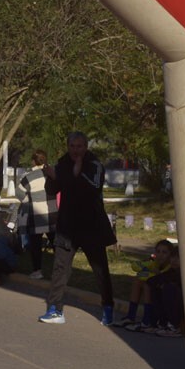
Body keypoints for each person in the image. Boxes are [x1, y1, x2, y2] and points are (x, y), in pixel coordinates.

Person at [38, 132, 117, 325]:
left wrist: (76, 172)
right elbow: (51, 190)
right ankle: (55, 309)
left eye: (80, 146)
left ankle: (108, 307)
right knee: (60, 268)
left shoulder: (95, 165)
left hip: (92, 225)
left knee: (100, 269)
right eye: (72, 146)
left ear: (86, 146)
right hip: (67, 226)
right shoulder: (62, 163)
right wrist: (53, 177)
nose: (76, 150)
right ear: (68, 146)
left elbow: (92, 188)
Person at [16, 150, 58, 280]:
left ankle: (37, 270)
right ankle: (60, 271)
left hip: (36, 216)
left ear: (33, 161)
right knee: (56, 244)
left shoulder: (28, 177)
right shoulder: (52, 173)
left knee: (36, 245)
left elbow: (20, 195)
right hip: (53, 215)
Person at [115, 240, 173, 331]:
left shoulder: (170, 266)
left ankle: (147, 320)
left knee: (147, 284)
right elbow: (135, 266)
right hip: (157, 289)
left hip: (165, 293)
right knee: (137, 281)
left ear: (170, 254)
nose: (160, 255)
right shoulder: (155, 263)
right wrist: (145, 267)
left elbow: (162, 277)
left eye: (164, 252)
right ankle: (131, 316)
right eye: (158, 251)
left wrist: (153, 273)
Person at [147, 247, 184, 337]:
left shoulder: (183, 272)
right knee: (157, 287)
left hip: (182, 305)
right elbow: (151, 281)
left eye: (178, 258)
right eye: (172, 257)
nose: (174, 261)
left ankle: (174, 327)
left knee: (169, 288)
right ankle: (161, 323)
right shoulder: (171, 271)